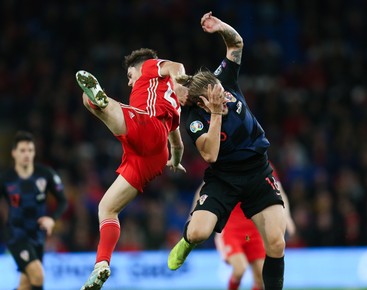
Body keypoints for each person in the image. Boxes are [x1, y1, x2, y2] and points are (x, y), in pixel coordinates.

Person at [167, 12, 287, 290]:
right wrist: (217, 113)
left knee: (277, 242)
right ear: (203, 101)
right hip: (225, 178)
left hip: (258, 170)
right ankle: (186, 243)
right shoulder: (195, 120)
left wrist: (221, 28)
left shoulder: (224, 80)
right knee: (198, 232)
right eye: (217, 95)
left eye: (220, 89)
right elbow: (209, 155)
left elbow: (236, 45)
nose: (224, 94)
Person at [75, 48, 187, 290]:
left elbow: (176, 66)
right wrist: (175, 161)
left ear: (140, 67)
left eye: (129, 75)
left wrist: (179, 83)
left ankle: (102, 102)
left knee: (90, 100)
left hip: (148, 126)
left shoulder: (149, 67)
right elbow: (177, 144)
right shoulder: (170, 103)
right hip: (154, 153)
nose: (129, 81)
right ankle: (101, 265)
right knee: (106, 208)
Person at [0, 131, 68, 290]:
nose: (27, 154)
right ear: (14, 153)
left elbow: (63, 201)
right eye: (23, 150)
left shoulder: (45, 174)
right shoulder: (6, 179)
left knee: (26, 283)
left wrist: (52, 219)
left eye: (30, 150)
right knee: (38, 275)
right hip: (16, 234)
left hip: (37, 235)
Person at [214, 163, 296, 290]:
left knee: (260, 278)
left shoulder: (264, 164)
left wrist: (287, 217)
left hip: (255, 229)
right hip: (232, 228)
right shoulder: (228, 162)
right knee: (239, 269)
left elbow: (278, 191)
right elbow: (212, 193)